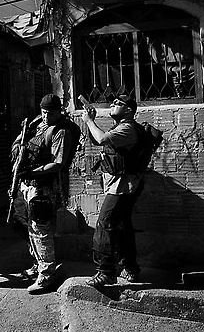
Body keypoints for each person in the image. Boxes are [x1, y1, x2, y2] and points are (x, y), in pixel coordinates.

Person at [13, 94, 80, 294]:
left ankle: (47, 274)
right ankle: (37, 263)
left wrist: (32, 172)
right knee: (25, 225)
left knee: (40, 229)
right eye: (43, 112)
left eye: (49, 113)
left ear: (59, 111)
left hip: (44, 186)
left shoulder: (61, 131)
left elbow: (57, 163)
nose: (45, 116)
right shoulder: (36, 124)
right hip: (26, 184)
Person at [82, 94, 143, 288]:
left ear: (129, 110)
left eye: (119, 103)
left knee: (105, 224)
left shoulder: (127, 128)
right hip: (120, 184)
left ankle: (106, 272)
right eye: (113, 102)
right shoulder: (119, 127)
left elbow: (101, 139)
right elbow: (98, 140)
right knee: (122, 226)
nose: (113, 104)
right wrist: (90, 120)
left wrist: (90, 121)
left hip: (123, 186)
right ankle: (130, 267)